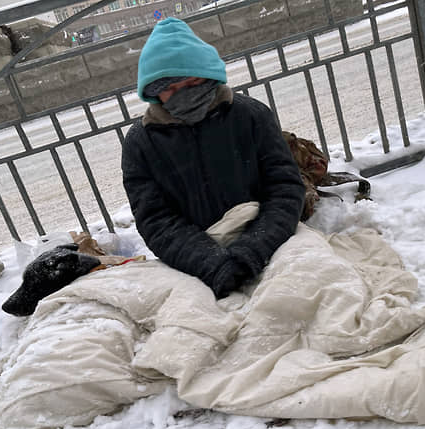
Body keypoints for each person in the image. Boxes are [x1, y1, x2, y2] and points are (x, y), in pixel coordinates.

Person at [121, 17, 306, 299]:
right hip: (194, 261)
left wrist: (253, 247)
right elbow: (155, 220)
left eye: (191, 81)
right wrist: (210, 261)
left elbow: (285, 188)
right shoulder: (141, 143)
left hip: (270, 238)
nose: (182, 94)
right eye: (169, 88)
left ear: (207, 75)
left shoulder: (250, 115)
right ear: (154, 93)